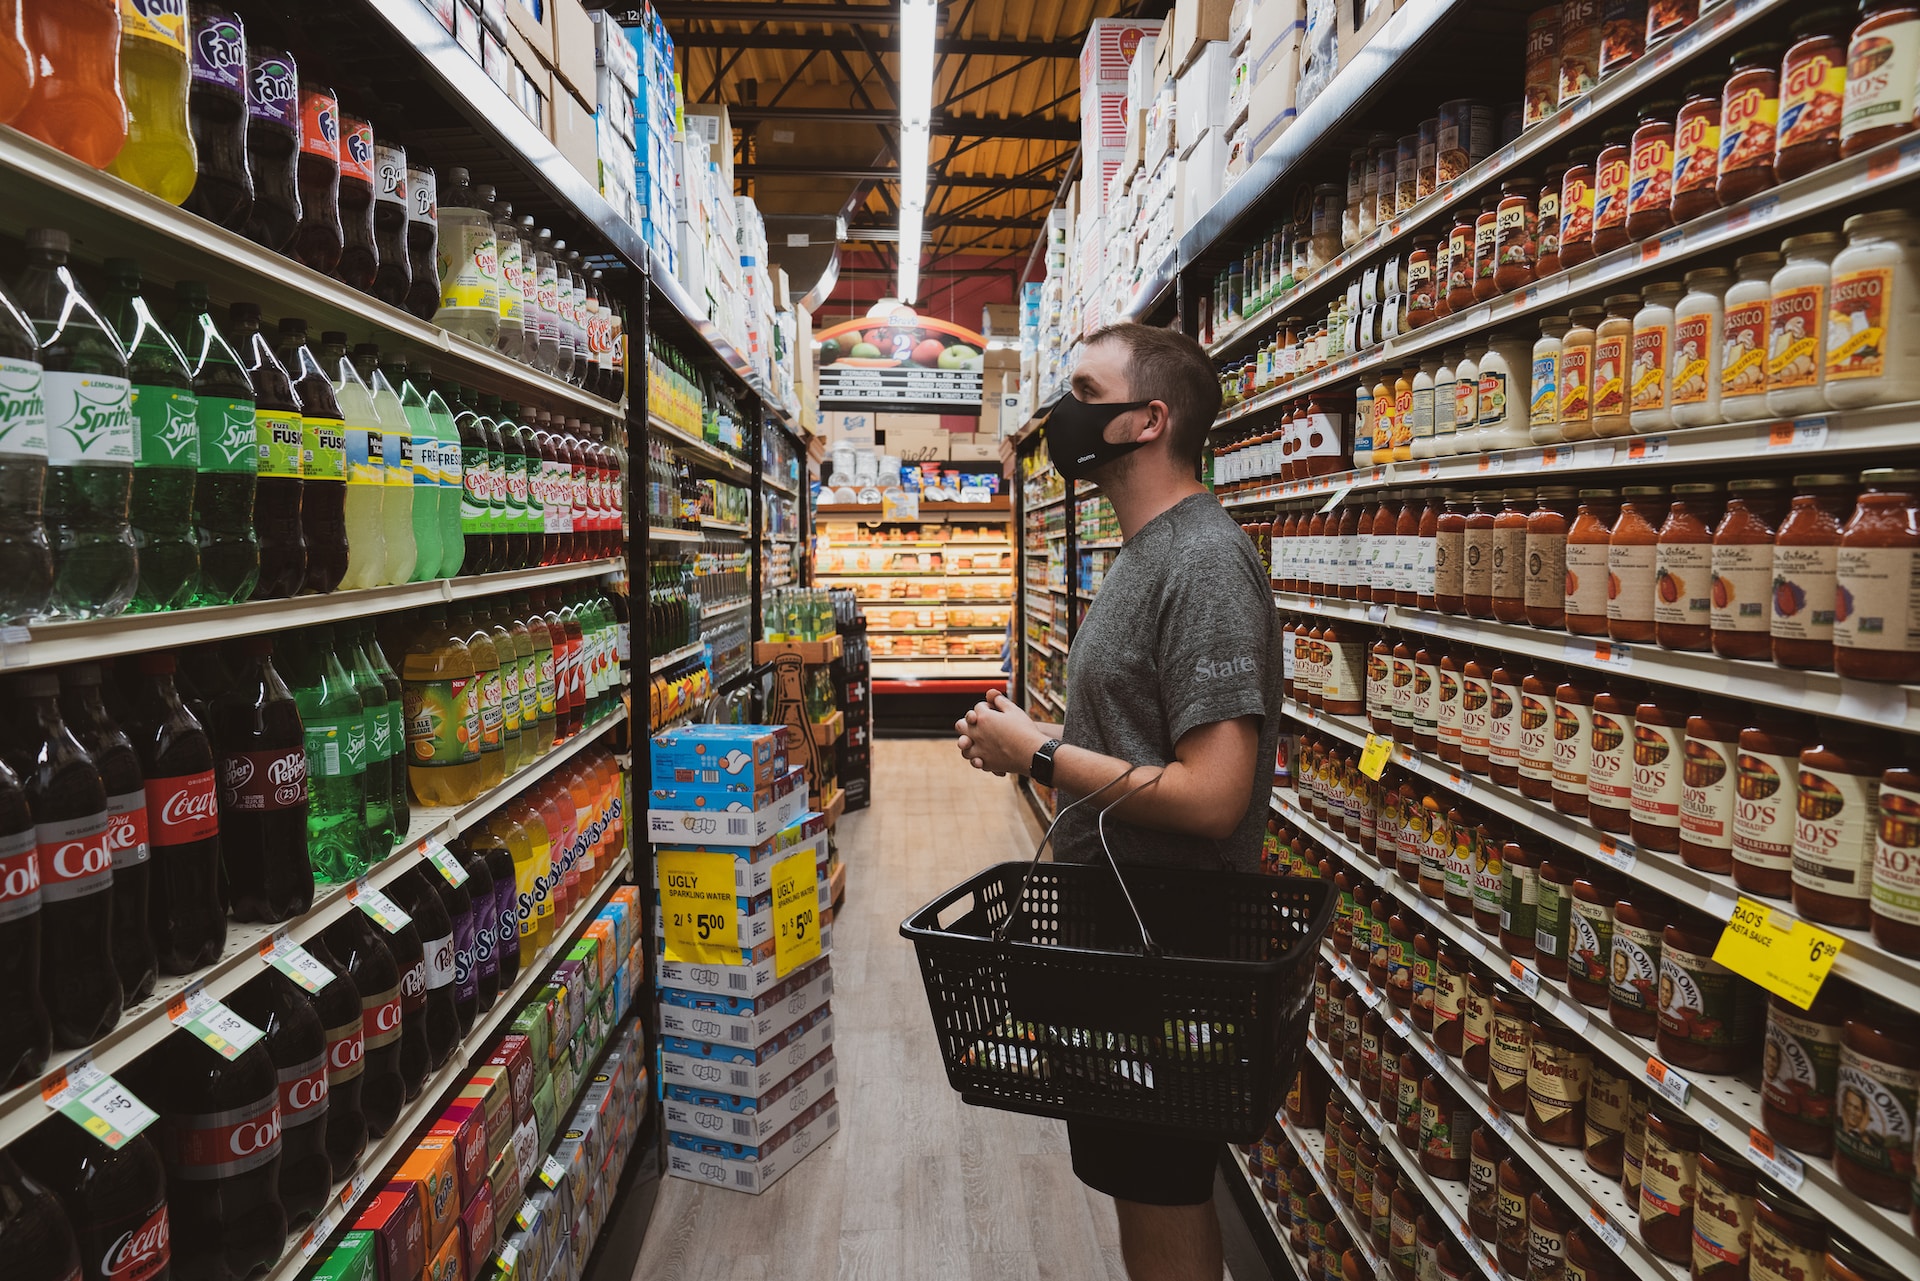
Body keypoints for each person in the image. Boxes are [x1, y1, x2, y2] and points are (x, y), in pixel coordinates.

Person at [953, 322, 1283, 1281]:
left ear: (1149, 418)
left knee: (1165, 1181)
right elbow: (1136, 743)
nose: (1065, 413)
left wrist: (1041, 752)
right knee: (1142, 1179)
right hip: (1125, 929)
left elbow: (1217, 794)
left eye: (1085, 390)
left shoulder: (1204, 561)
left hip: (1171, 941)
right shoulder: (1141, 553)